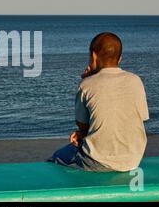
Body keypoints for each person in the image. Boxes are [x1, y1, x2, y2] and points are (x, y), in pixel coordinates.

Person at [49, 32, 149, 172]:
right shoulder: (136, 80)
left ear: (93, 56)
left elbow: (83, 126)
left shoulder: (86, 84)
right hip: (132, 160)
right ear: (120, 58)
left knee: (56, 158)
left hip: (97, 161)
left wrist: (88, 78)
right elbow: (141, 118)